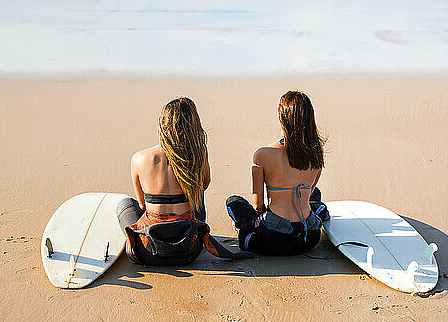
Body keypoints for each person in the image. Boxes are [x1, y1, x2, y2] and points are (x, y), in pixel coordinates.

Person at [117, 97, 252, 265]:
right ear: (194, 125)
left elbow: (143, 205)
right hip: (190, 249)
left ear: (162, 125)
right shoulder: (198, 155)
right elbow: (204, 185)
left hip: (150, 251)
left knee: (125, 204)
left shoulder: (139, 158)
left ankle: (133, 242)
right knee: (197, 195)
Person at [226, 90, 329, 256]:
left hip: (275, 240)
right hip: (310, 237)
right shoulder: (317, 152)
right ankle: (320, 211)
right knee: (314, 194)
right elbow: (308, 193)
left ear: (282, 119)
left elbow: (257, 205)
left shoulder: (262, 155)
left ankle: (245, 236)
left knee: (233, 202)